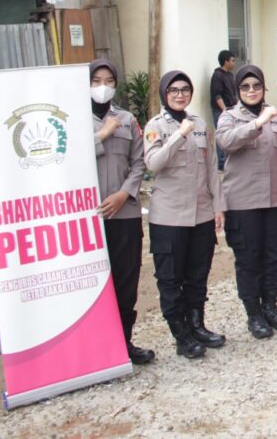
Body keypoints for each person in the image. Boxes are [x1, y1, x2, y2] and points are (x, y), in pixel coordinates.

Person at [144, 70, 225, 359]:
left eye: (185, 89)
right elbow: (153, 163)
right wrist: (178, 135)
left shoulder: (200, 124)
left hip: (201, 214)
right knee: (170, 279)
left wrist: (218, 206)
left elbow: (212, 167)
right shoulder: (155, 126)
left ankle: (197, 325)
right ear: (165, 94)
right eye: (173, 90)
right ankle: (181, 335)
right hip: (169, 218)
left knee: (197, 275)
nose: (180, 94)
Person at [216, 65, 277, 339]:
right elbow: (226, 143)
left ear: (264, 88)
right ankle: (254, 313)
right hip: (243, 201)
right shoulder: (229, 117)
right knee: (248, 258)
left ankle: (271, 306)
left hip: (275, 198)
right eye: (245, 87)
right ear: (238, 91)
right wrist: (257, 123)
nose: (252, 91)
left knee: (274, 255)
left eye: (256, 86)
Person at [89, 60, 153, 365]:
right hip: (88, 219)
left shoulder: (127, 119)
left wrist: (123, 193)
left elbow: (139, 163)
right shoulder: (72, 121)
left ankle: (124, 344)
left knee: (126, 282)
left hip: (124, 213)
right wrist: (101, 135)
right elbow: (67, 159)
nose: (103, 86)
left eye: (109, 80)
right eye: (96, 80)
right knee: (92, 285)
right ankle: (97, 350)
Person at [209, 50, 237, 170]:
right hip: (220, 111)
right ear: (226, 61)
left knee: (231, 135)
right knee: (222, 135)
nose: (234, 63)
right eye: (232, 60)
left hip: (231, 110)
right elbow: (217, 95)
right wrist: (224, 110)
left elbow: (232, 94)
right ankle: (221, 163)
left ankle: (229, 161)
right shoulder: (217, 75)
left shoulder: (230, 75)